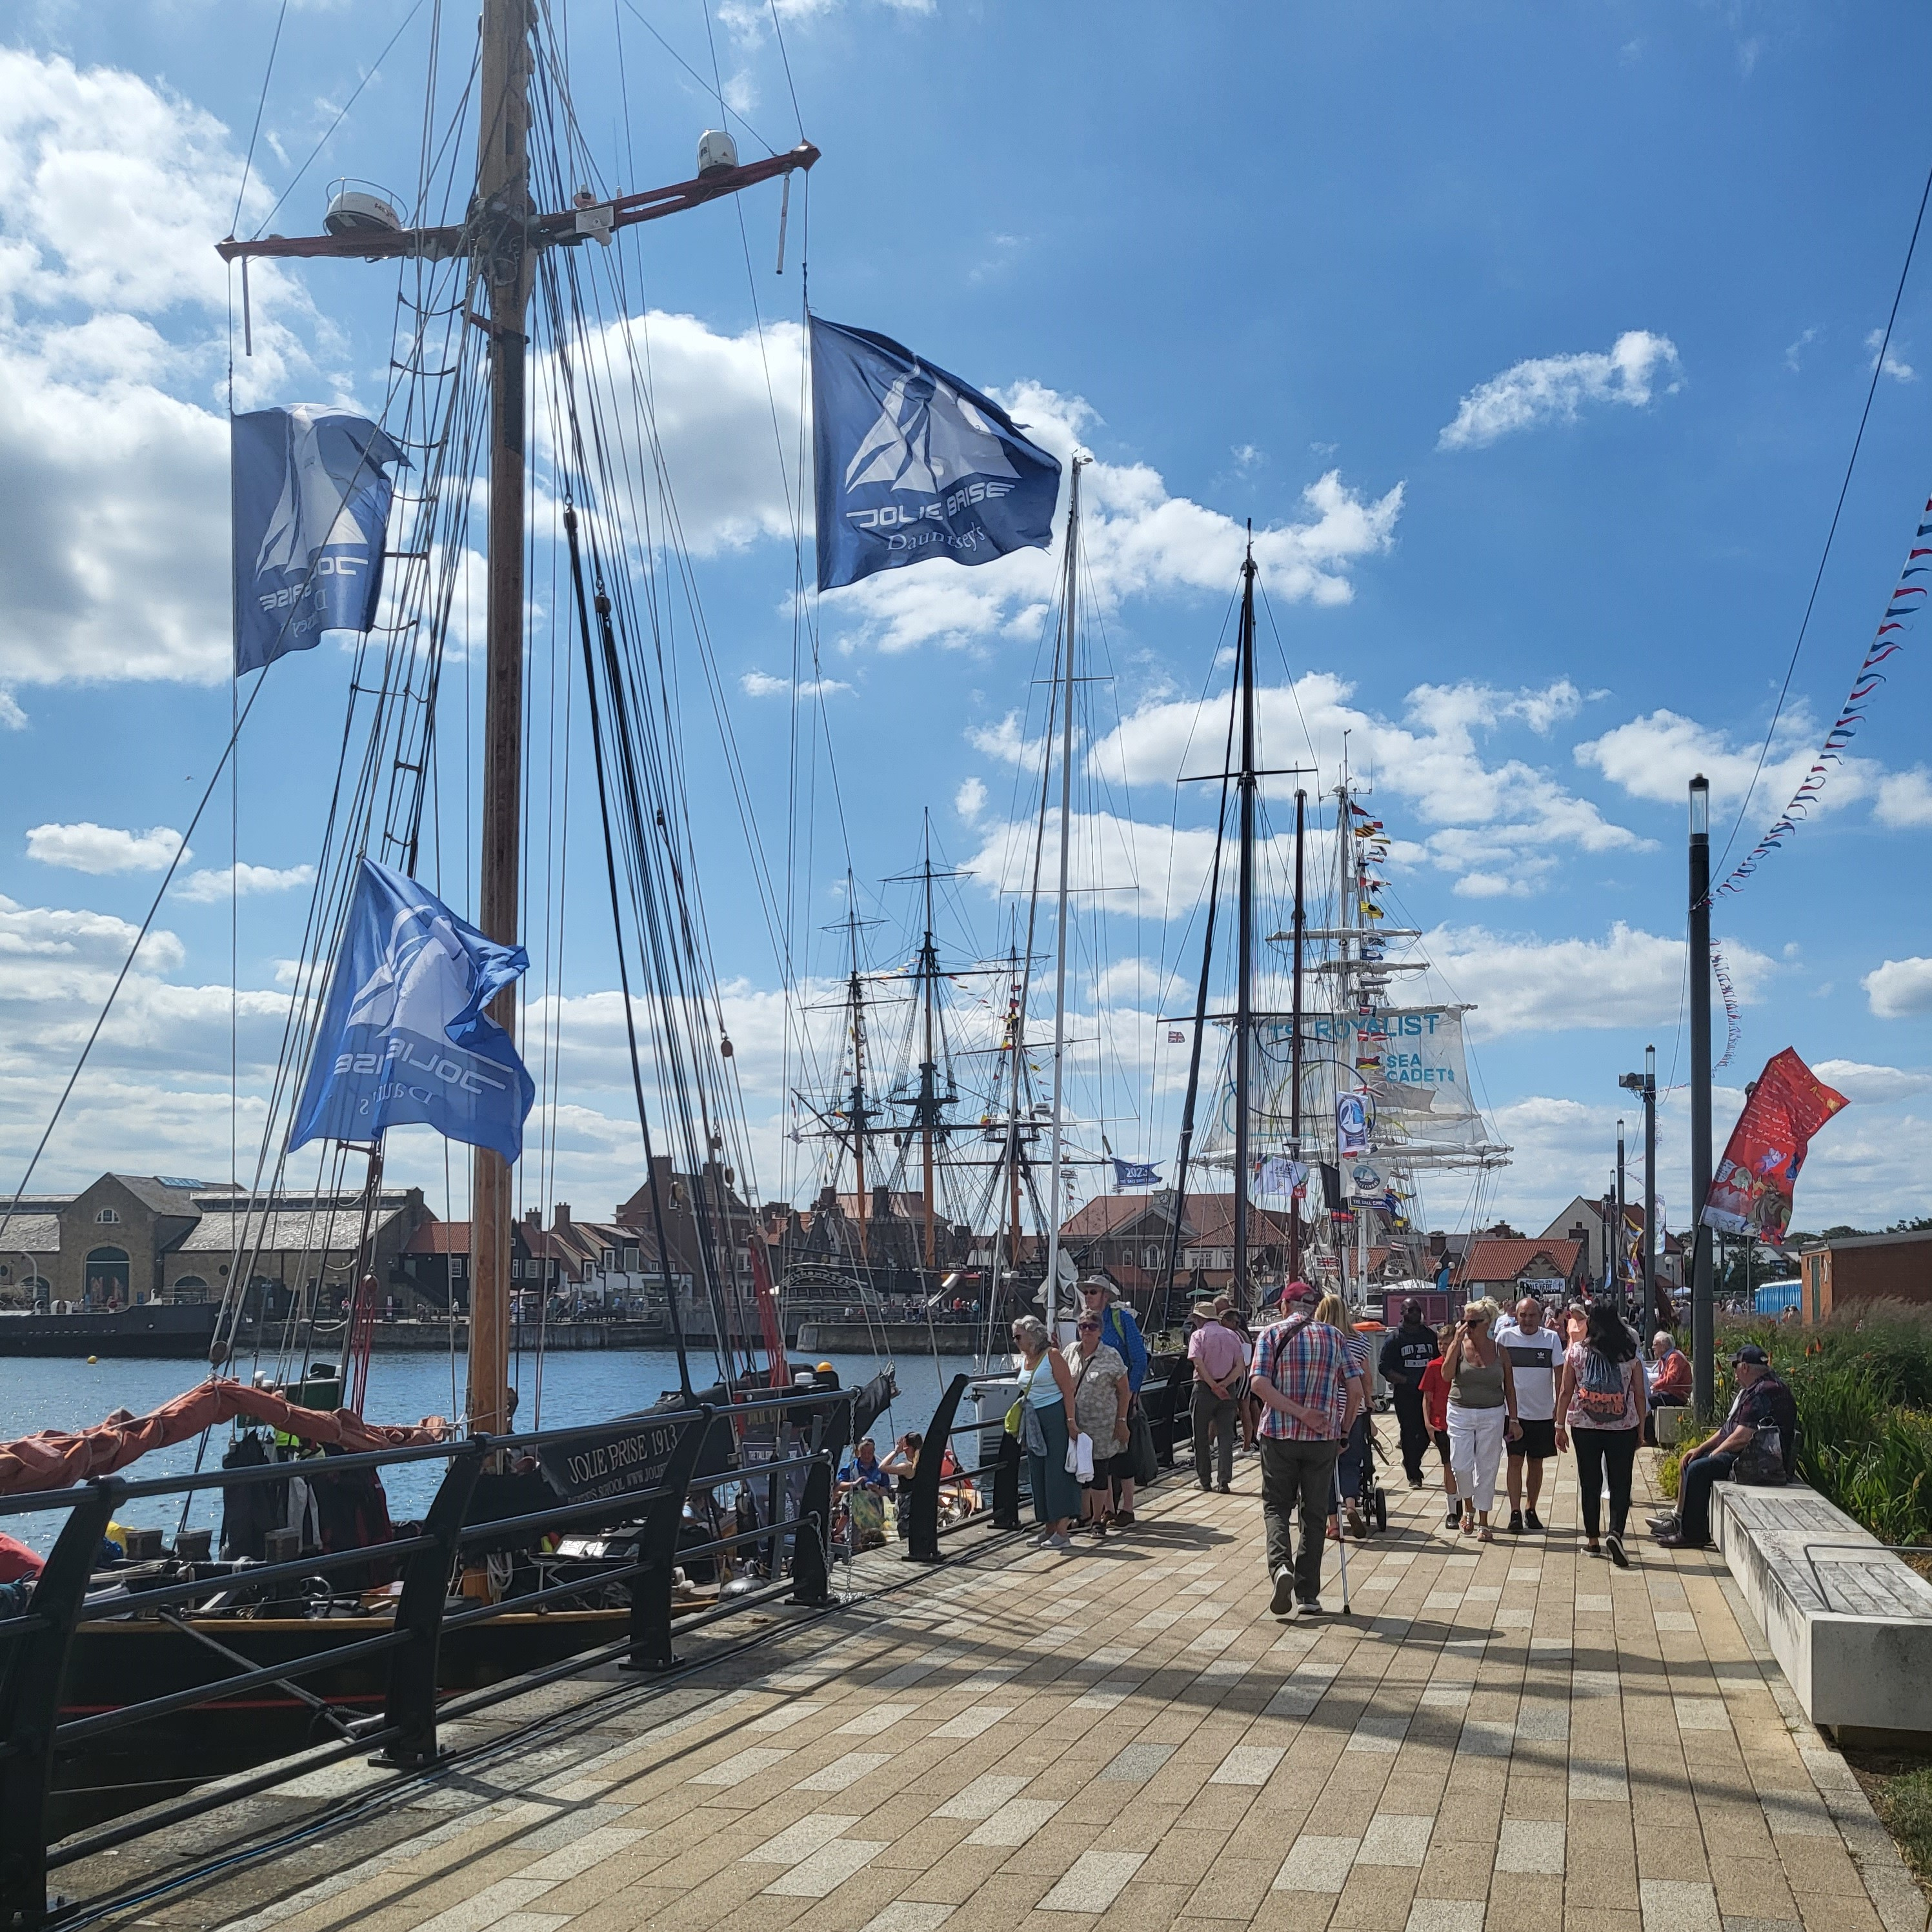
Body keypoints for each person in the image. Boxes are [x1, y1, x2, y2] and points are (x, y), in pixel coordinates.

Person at [1252, 1283, 1361, 1616]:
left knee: (1276, 1506)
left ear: (1286, 1305)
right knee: (1314, 1514)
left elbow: (1258, 1384)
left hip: (1279, 1435)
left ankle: (1281, 1568)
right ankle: (1308, 1595)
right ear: (1312, 1306)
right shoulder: (1333, 1337)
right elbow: (1355, 1390)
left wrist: (1298, 1413)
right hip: (1322, 1439)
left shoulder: (1270, 1335)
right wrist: (1342, 1430)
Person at [1652, 1344, 1798, 1549]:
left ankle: (1693, 1534)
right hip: (1747, 1455)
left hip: (1759, 1461)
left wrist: (1714, 1454)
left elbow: (1743, 1436)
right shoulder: (1755, 1388)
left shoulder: (1765, 1391)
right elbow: (1728, 1429)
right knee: (1692, 1460)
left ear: (1745, 1367)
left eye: (1735, 1366)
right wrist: (1702, 1448)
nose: (1734, 1373)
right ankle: (1682, 1520)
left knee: (1699, 1469)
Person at [1555, 1302, 1648, 1565]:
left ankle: (1593, 1540)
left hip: (1585, 1426)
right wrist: (1640, 1428)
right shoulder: (1629, 1354)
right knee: (1620, 1482)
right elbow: (1639, 1394)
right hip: (1622, 1426)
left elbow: (1565, 1392)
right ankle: (1616, 1532)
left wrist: (1559, 1426)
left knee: (1590, 1481)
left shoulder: (1576, 1352)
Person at [1440, 1298, 1521, 1541]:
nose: (1467, 1326)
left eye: (1472, 1322)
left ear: (1487, 1323)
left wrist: (1514, 1419)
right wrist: (1455, 1342)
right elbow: (1445, 1376)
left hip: (1492, 1412)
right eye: (1464, 1321)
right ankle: (1468, 1507)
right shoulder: (1458, 1344)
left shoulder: (1500, 1350)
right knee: (1460, 1464)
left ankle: (1483, 1520)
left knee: (1488, 1466)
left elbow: (1510, 1387)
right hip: (1460, 1411)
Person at [1011, 1315, 1085, 1549]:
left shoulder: (1052, 1356)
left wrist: (1070, 1421)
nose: (1015, 1341)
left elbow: (1068, 1388)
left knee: (1057, 1472)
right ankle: (1048, 1528)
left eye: (1018, 1336)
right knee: (1038, 1473)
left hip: (1054, 1417)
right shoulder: (1025, 1359)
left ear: (1033, 1335)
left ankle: (1062, 1531)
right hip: (1034, 1420)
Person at [1494, 1295, 1563, 1535]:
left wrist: (1558, 1408)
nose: (1527, 1320)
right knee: (1514, 1461)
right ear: (1516, 1315)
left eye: (1532, 1315)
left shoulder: (1551, 1339)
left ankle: (1531, 1509)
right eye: (1523, 1315)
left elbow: (1560, 1376)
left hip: (1542, 1413)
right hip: (1513, 1414)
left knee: (1536, 1463)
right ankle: (1514, 1511)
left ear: (1540, 1315)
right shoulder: (1505, 1338)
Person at [1080, 1280, 1147, 1522]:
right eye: (1085, 1292)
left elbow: (1139, 1358)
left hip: (1121, 1397)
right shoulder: (1084, 1321)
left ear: (1105, 1295)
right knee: (1100, 1455)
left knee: (1121, 1451)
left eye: (1093, 1292)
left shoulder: (1121, 1319)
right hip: (1095, 1407)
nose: (1088, 1295)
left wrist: (1134, 1392)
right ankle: (1107, 1507)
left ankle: (1127, 1508)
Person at [1065, 1313, 1132, 1537]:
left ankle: (1098, 1520)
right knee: (1080, 1472)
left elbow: (1125, 1390)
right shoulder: (1070, 1352)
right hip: (1076, 1425)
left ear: (1100, 1331)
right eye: (1082, 1326)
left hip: (1103, 1426)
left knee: (1099, 1472)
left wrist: (1122, 1421)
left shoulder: (1111, 1356)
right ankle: (1084, 1515)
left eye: (1092, 1327)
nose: (1086, 1330)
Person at [1316, 1292, 1373, 1538]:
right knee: (1350, 1463)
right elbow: (1366, 1379)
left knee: (1324, 1468)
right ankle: (1351, 1505)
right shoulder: (1359, 1340)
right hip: (1354, 1411)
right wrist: (1369, 1404)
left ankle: (1333, 1523)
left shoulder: (1319, 1339)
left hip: (1326, 1409)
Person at [1188, 1294, 1249, 1493]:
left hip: (1204, 1389)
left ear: (1199, 1319)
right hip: (1228, 1390)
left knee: (1201, 1437)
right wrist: (1224, 1384)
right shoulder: (1232, 1335)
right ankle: (1224, 1480)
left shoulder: (1198, 1336)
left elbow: (1198, 1363)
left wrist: (1213, 1385)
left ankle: (1205, 1479)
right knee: (1226, 1437)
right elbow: (1240, 1366)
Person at [1378, 1298, 1438, 1489]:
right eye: (1410, 1310)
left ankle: (1412, 1462)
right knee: (1409, 1431)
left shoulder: (1429, 1336)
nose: (1415, 1314)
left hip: (1427, 1393)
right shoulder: (1395, 1339)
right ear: (1403, 1313)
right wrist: (1405, 1380)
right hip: (1406, 1393)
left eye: (1417, 1310)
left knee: (1426, 1432)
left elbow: (1438, 1360)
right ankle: (1414, 1473)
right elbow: (1384, 1368)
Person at [1418, 1347, 1458, 1528]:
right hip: (1440, 1423)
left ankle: (1466, 1506)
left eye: (1447, 1343)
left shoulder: (1463, 1365)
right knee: (1448, 1465)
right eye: (1440, 1343)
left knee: (1465, 1468)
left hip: (1462, 1423)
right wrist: (1427, 1423)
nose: (1443, 1347)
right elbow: (1427, 1397)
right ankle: (1451, 1511)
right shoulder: (1433, 1366)